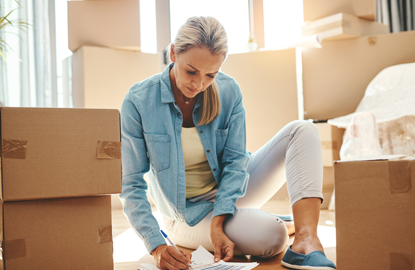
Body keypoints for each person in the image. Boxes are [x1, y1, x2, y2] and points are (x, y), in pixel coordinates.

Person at [120, 16, 337, 270]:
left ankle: (306, 242)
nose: (198, 84)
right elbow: (131, 183)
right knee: (272, 237)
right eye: (191, 71)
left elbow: (236, 161)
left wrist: (219, 220)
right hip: (185, 215)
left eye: (211, 74)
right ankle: (279, 223)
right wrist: (156, 246)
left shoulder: (229, 90)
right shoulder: (138, 101)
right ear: (172, 54)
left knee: (303, 130)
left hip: (231, 193)